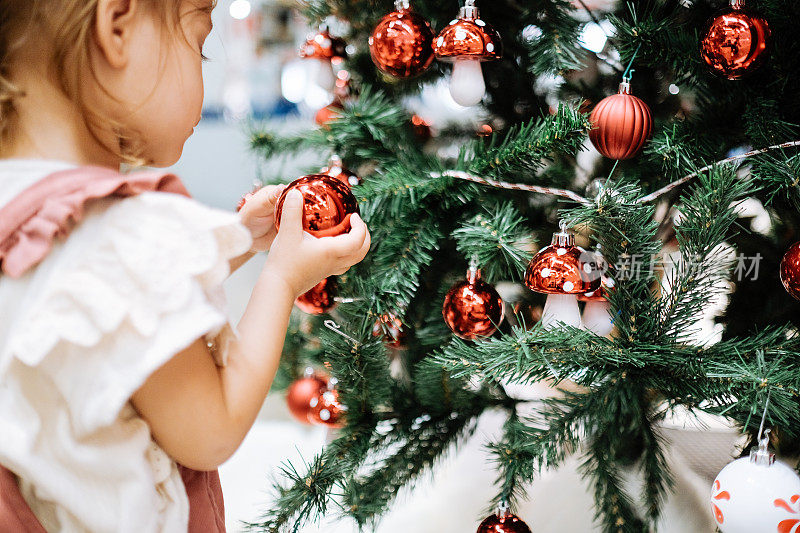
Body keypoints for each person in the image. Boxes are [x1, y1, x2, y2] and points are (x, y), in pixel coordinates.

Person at [0, 0, 370, 531]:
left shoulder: (22, 214)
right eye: (199, 44)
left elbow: (103, 309)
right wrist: (284, 278)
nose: (203, 67)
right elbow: (211, 430)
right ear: (118, 27)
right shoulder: (119, 236)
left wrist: (240, 241)